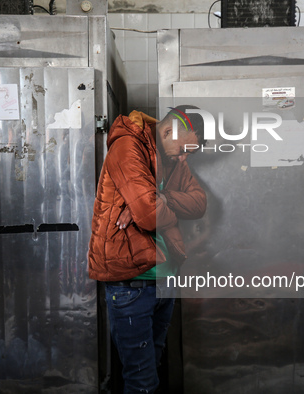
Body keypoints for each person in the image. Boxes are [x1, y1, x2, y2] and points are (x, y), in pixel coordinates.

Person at [88, 105, 207, 393]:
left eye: (189, 153)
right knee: (142, 382)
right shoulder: (128, 146)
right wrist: (154, 205)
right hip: (133, 283)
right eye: (183, 151)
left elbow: (199, 203)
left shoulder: (173, 156)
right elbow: (149, 214)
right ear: (167, 131)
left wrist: (162, 196)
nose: (184, 159)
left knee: (152, 370)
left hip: (165, 279)